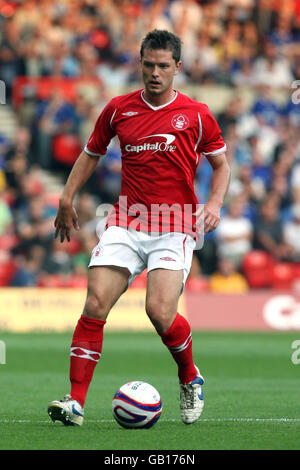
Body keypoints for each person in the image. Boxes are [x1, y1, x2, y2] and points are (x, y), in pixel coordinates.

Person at [47, 29, 230, 426]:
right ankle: (75, 403)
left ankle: (189, 376)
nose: (155, 73)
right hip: (127, 220)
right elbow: (91, 153)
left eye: (164, 66)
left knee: (160, 311)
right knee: (95, 304)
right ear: (140, 62)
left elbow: (221, 165)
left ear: (177, 67)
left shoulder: (197, 115)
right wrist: (66, 197)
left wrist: (214, 203)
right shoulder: (118, 109)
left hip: (175, 223)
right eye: (148, 64)